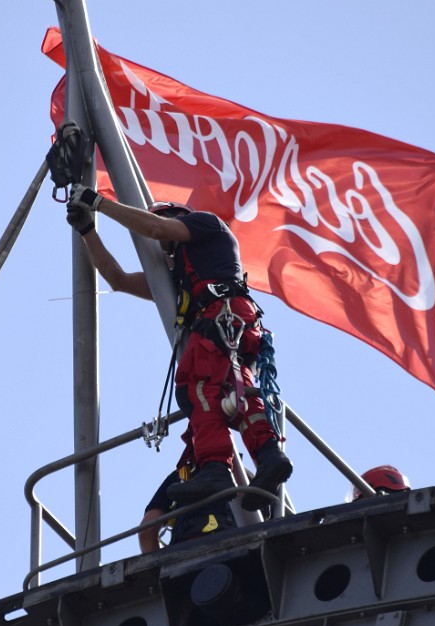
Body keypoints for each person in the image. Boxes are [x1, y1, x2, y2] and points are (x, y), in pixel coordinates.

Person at [67, 184, 292, 511]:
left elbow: (153, 226)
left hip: (223, 316)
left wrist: (99, 203)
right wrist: (87, 231)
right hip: (231, 322)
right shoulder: (180, 276)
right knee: (229, 393)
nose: (162, 247)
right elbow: (117, 279)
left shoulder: (207, 225)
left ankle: (216, 467)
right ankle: (268, 456)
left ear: (177, 218)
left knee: (196, 384)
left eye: (165, 238)